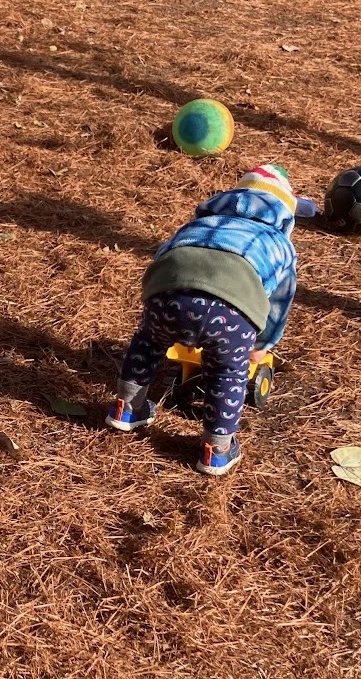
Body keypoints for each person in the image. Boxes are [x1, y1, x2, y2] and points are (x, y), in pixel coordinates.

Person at [105, 165, 316, 476]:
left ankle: (126, 407)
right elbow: (277, 304)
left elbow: (164, 256)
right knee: (228, 369)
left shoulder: (201, 223)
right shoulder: (280, 244)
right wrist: (262, 344)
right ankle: (217, 448)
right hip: (229, 310)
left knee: (148, 341)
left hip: (165, 292)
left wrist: (155, 301)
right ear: (285, 216)